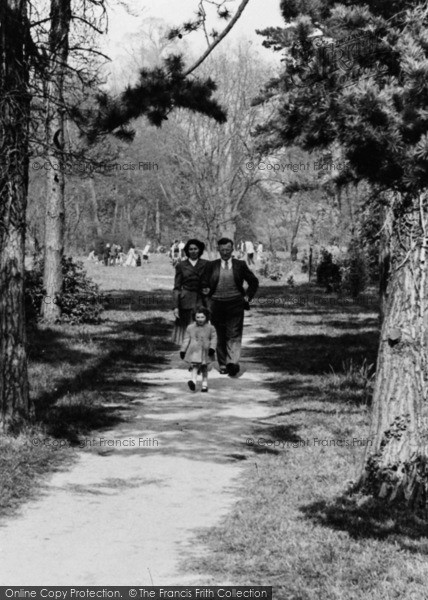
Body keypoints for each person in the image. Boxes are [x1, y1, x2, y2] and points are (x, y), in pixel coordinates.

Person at [204, 237, 259, 376]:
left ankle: (232, 363)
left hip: (235, 303)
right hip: (215, 304)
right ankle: (223, 364)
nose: (225, 253)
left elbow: (253, 281)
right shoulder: (211, 266)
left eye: (228, 250)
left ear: (232, 249)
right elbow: (202, 284)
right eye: (222, 250)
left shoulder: (240, 264)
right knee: (219, 334)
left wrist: (246, 298)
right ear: (218, 250)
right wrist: (206, 297)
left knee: (234, 334)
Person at [171, 239, 208, 345]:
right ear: (187, 251)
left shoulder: (206, 264)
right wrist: (175, 306)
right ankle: (191, 356)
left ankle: (199, 356)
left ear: (199, 250)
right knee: (188, 332)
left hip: (201, 299)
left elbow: (211, 283)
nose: (193, 251)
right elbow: (177, 287)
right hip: (185, 300)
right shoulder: (181, 265)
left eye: (195, 249)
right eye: (190, 249)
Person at [180, 306, 217, 393]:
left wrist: (212, 348)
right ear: (194, 317)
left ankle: (204, 384)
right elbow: (186, 339)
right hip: (194, 351)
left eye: (202, 317)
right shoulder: (190, 327)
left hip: (206, 351)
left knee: (204, 368)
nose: (200, 319)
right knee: (195, 367)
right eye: (198, 317)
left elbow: (214, 339)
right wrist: (183, 350)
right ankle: (193, 382)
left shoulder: (211, 328)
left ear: (206, 317)